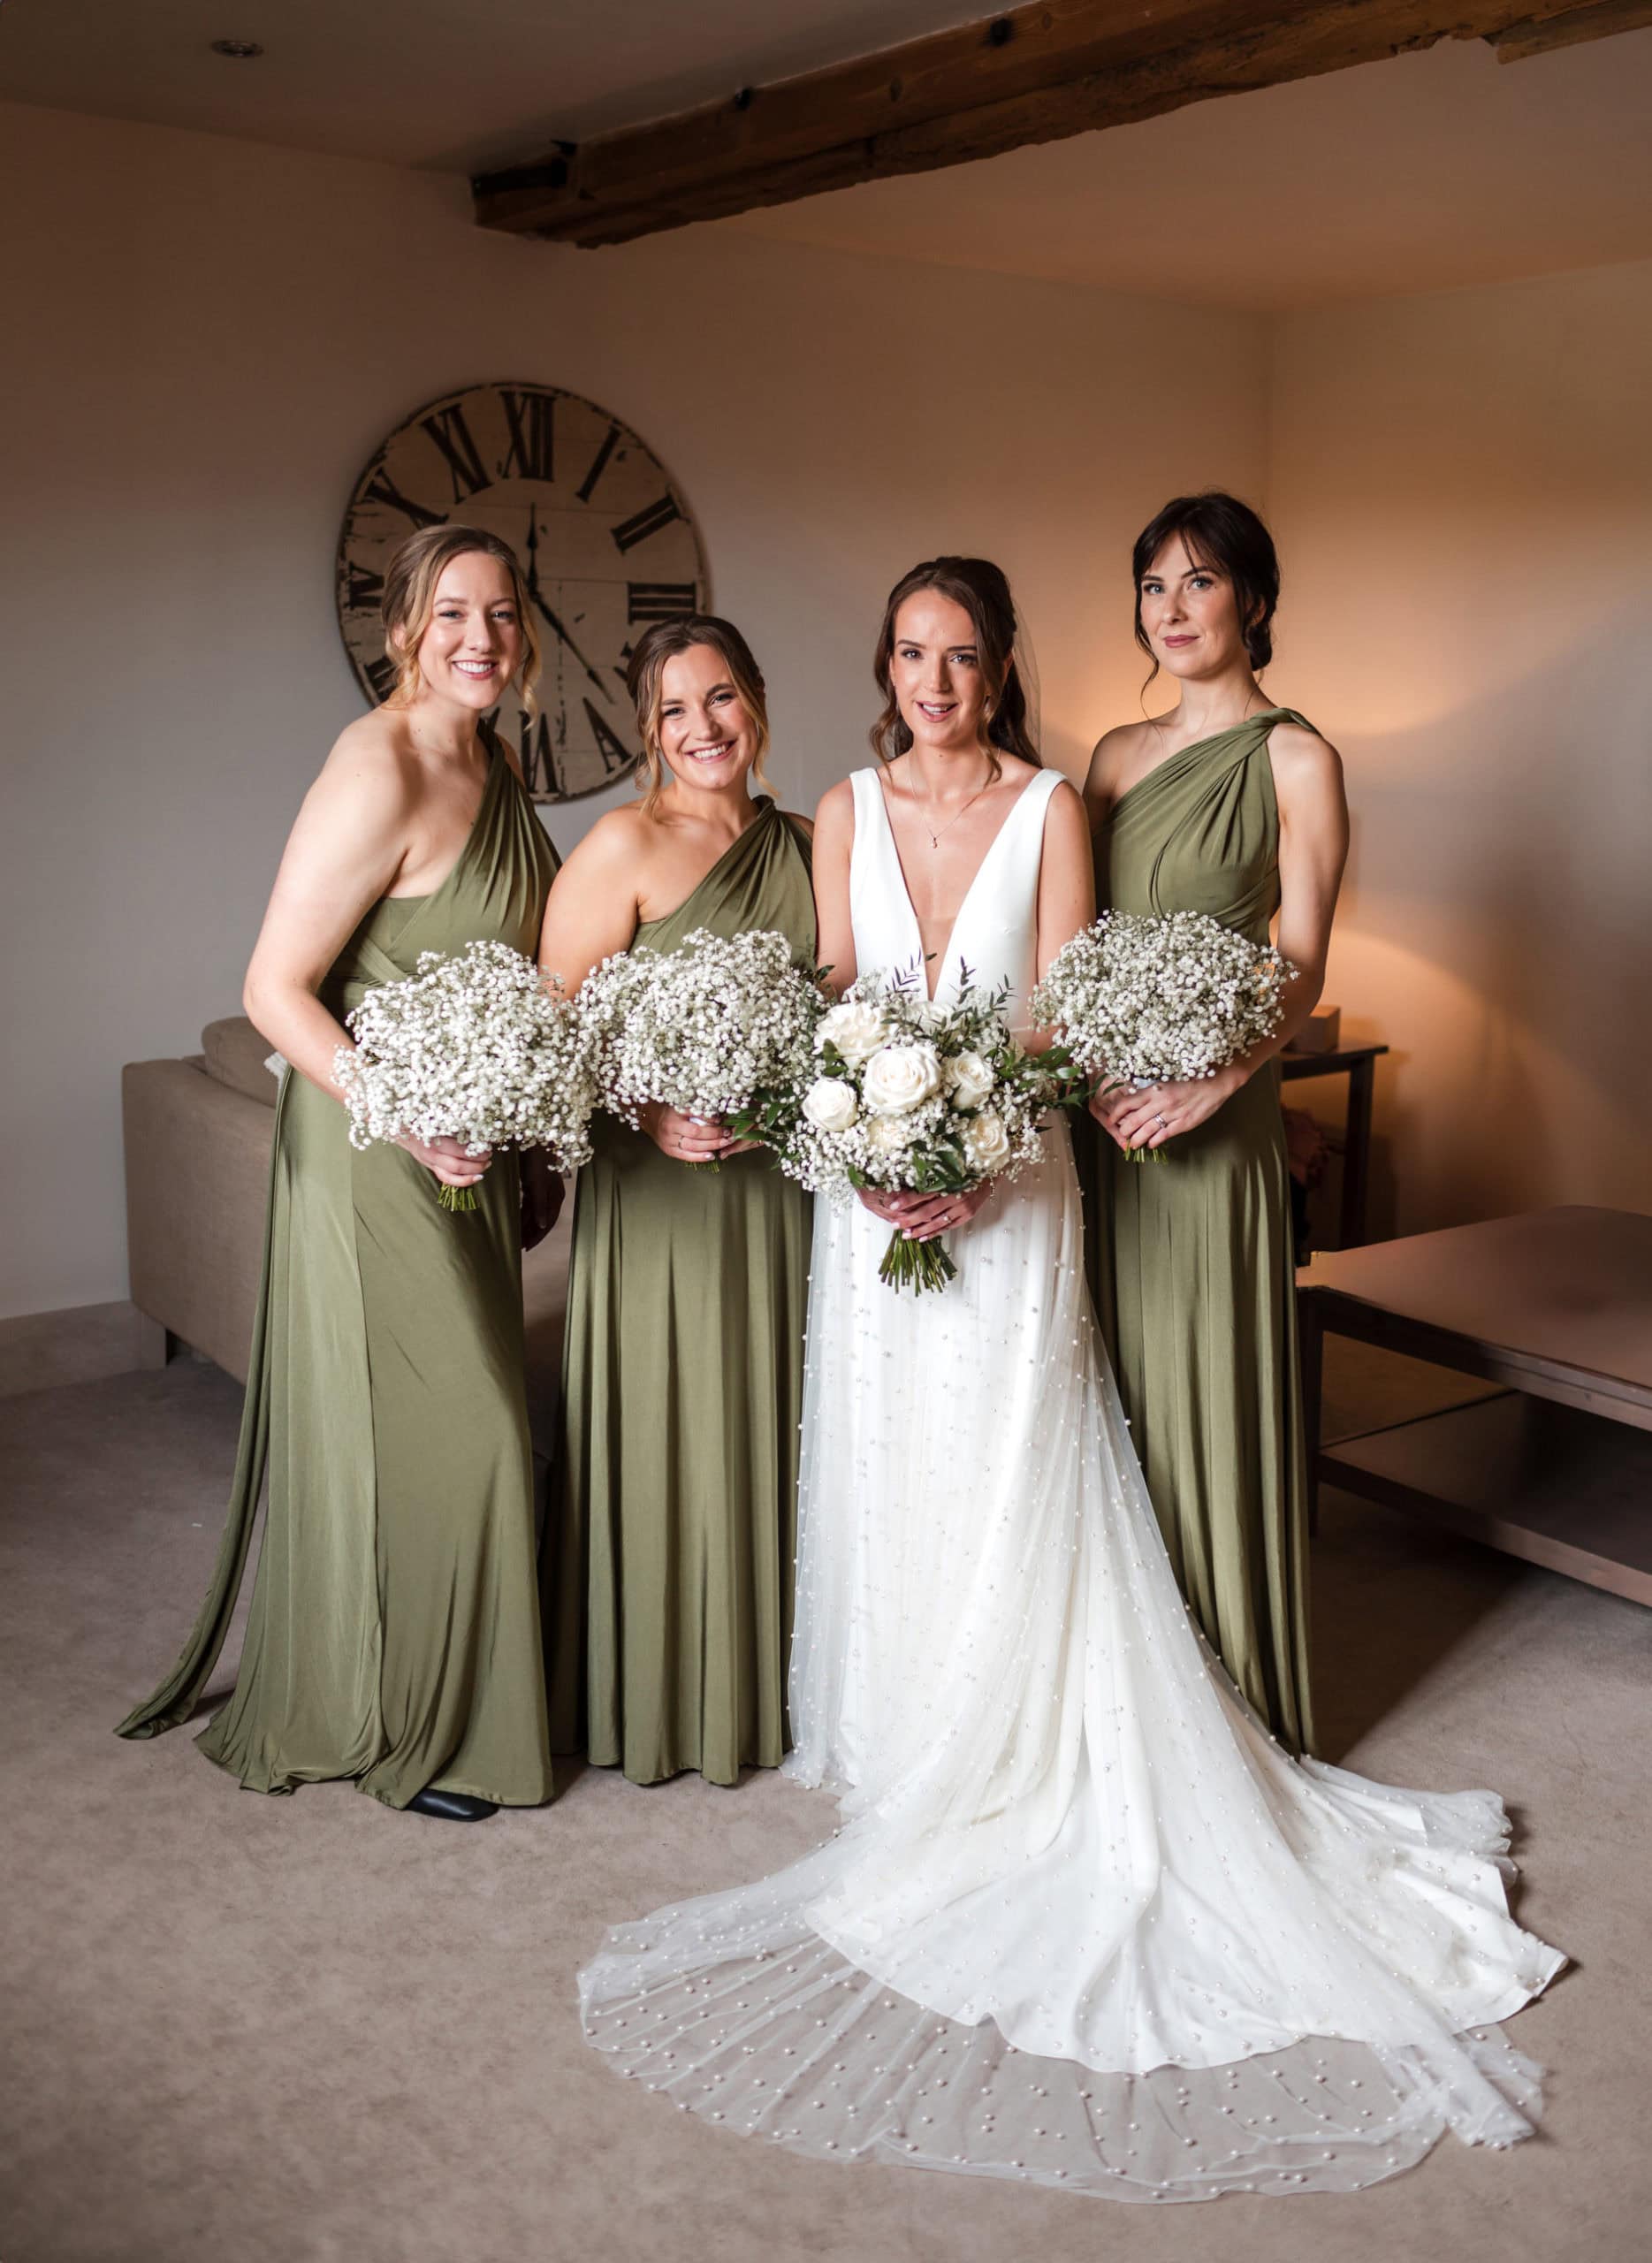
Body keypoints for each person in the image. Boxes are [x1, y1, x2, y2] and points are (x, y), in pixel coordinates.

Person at [575, 556, 1563, 2199]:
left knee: (1010, 1449)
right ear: (881, 667)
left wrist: (970, 1148)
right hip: (864, 1185)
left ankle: (1016, 1747)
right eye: (910, 653)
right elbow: (834, 1002)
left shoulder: (1056, 803)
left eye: (963, 654)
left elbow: (1053, 1022)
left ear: (1000, 664)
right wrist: (867, 1145)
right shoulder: (832, 807)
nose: (936, 680)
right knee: (887, 1451)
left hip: (1011, 1183)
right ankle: (900, 1736)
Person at [117, 525, 560, 1822]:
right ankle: (409, 1724)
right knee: (464, 1431)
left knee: (449, 1431)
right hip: (378, 1145)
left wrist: (520, 1133)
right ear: (405, 629)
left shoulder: (495, 759)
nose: (480, 638)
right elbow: (271, 990)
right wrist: (412, 1118)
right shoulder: (377, 765)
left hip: (467, 1141)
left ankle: (446, 1689)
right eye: (453, 614)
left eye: (502, 613)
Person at [1081, 491, 1347, 1755]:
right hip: (1099, 1125)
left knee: (1207, 1392)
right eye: (1152, 586)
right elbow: (1070, 942)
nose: (1171, 609)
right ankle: (1116, 1700)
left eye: (1197, 582)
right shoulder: (1114, 757)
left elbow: (1297, 961)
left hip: (1214, 1120)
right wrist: (1082, 1071)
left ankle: (1230, 1697)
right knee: (1105, 1396)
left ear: (1252, 598)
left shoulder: (1298, 759)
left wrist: (1216, 1082)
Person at [538, 616, 815, 1786]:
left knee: (783, 1428)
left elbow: (851, 1010)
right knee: (668, 1426)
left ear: (755, 697)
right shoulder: (619, 844)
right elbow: (552, 1035)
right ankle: (653, 1695)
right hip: (656, 1200)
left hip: (783, 1199)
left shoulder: (814, 844)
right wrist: (645, 1109)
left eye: (718, 699)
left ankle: (788, 1688)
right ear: (644, 729)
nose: (700, 729)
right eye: (670, 710)